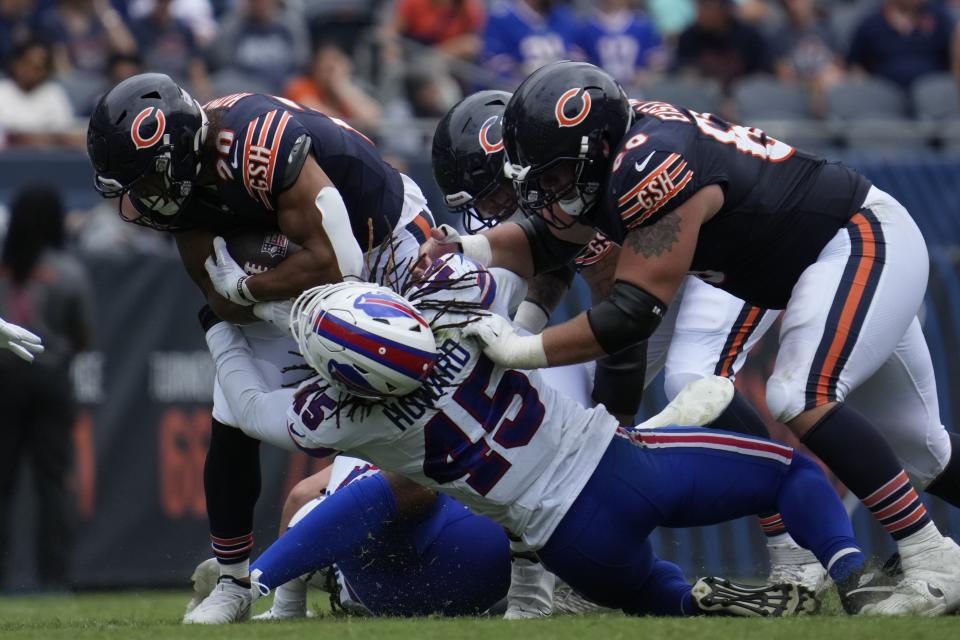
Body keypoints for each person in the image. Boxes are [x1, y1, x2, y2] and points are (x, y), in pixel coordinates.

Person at [418, 61, 960, 615]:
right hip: (810, 267)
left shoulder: (650, 162)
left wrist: (520, 348)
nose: (547, 192)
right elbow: (549, 243)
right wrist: (465, 249)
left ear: (598, 147)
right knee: (924, 449)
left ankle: (932, 558)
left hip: (855, 239)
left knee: (800, 394)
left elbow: (629, 315)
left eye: (555, 176)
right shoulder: (612, 161)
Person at [200, 253, 930, 617]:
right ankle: (851, 583)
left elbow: (250, 405)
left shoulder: (345, 419)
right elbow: (520, 267)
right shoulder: (466, 317)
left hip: (567, 545)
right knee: (790, 473)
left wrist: (222, 329)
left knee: (663, 601)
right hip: (617, 468)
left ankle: (697, 604)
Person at [430, 89, 829, 592]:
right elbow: (554, 262)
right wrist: (527, 326)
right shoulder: (555, 174)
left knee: (688, 378)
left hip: (723, 263)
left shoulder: (582, 174)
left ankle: (792, 541)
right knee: (919, 444)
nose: (493, 208)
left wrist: (612, 423)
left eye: (491, 193)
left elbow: (622, 323)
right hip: (663, 273)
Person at [85, 73, 435, 623]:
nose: (143, 199)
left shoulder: (257, 143)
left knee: (430, 409)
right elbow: (215, 293)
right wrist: (252, 299)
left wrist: (253, 288)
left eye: (146, 180)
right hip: (299, 266)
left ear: (178, 150)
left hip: (385, 241)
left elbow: (337, 262)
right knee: (232, 413)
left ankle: (525, 557)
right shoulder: (183, 190)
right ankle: (233, 580)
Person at [0, 184, 92, 590]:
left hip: (3, 382)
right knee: (53, 483)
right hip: (52, 381)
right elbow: (83, 334)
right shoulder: (67, 269)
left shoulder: (4, 267)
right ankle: (55, 579)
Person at [847, 0, 959, 89]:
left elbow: (954, 57)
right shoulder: (870, 23)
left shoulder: (939, 18)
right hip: (885, 93)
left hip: (934, 91)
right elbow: (854, 63)